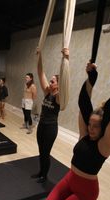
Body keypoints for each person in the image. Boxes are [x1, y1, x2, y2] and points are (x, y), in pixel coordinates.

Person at [40, 62, 110, 200]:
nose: (92, 129)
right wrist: (90, 77)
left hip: (86, 191)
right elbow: (83, 101)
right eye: (90, 124)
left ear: (103, 128)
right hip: (70, 180)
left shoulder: (105, 145)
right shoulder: (85, 134)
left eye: (96, 126)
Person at [30, 47, 69, 183]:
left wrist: (66, 59)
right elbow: (41, 73)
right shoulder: (47, 92)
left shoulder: (58, 97)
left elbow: (65, 82)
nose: (50, 82)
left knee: (46, 153)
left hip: (50, 128)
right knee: (41, 151)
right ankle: (41, 172)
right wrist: (39, 56)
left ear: (58, 85)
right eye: (50, 81)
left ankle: (44, 176)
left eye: (53, 81)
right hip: (41, 125)